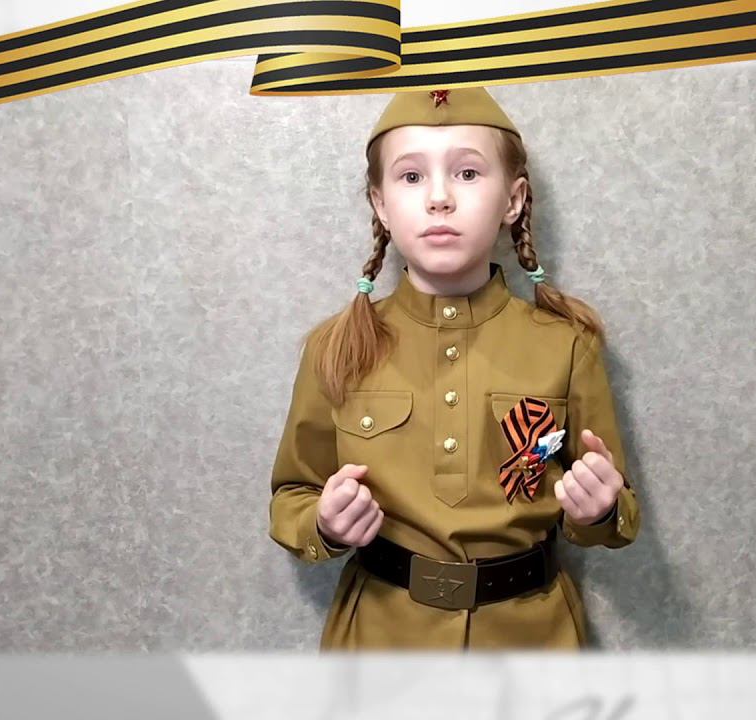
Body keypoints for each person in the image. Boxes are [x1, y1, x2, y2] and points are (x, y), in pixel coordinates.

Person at [268, 86, 640, 650]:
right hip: (378, 643)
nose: (439, 198)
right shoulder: (336, 346)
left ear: (513, 200)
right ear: (380, 204)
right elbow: (291, 494)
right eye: (411, 176)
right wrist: (322, 523)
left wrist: (601, 509)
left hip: (533, 642)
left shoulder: (567, 345)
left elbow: (619, 510)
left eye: (467, 173)